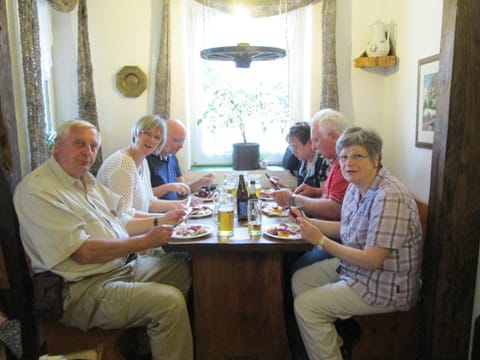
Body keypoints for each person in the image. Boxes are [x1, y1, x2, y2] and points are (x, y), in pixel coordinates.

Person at [13, 120, 193, 359]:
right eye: (80, 144)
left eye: (93, 146)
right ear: (58, 146)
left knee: (186, 269)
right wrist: (145, 241)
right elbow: (83, 252)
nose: (88, 152)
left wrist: (163, 220)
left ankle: (148, 345)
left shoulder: (85, 180)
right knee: (169, 303)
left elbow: (123, 217)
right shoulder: (40, 190)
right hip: (82, 290)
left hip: (119, 268)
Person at [289, 126, 423, 360]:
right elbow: (345, 228)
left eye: (357, 156)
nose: (348, 162)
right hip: (358, 271)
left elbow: (372, 260)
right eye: (343, 157)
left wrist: (319, 240)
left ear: (376, 158)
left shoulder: (389, 196)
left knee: (306, 307)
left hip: (385, 285)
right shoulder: (356, 186)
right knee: (300, 279)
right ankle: (335, 345)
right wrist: (306, 221)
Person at [97, 115, 189, 216]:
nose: (152, 140)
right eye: (147, 133)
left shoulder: (143, 160)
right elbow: (123, 215)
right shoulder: (123, 162)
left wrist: (183, 204)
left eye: (157, 137)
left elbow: (150, 202)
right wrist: (164, 218)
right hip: (115, 229)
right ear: (136, 132)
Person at [271, 109, 350, 221]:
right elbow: (333, 196)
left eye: (316, 140)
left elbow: (334, 209)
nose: (314, 147)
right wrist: (315, 192)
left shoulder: (347, 165)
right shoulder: (336, 160)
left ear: (333, 137)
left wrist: (292, 199)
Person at [147, 118, 214, 200]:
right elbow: (142, 196)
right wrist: (168, 187)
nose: (181, 146)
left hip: (175, 209)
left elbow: (183, 190)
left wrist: (200, 183)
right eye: (176, 141)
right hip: (159, 212)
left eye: (182, 141)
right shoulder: (147, 159)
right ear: (162, 137)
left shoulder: (172, 158)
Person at [269, 121, 332, 192]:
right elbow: (301, 192)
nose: (293, 152)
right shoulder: (303, 161)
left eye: (295, 147)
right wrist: (281, 187)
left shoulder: (323, 162)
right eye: (291, 147)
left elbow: (325, 195)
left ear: (310, 143)